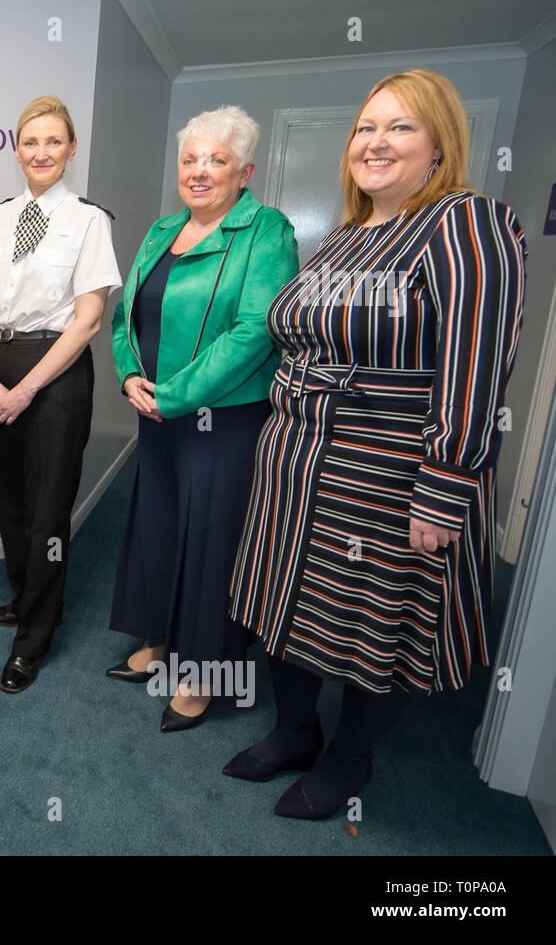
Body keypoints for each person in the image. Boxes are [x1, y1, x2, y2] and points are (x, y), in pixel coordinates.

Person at [224, 68, 526, 818]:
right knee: (286, 599)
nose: (376, 142)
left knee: (366, 618)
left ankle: (349, 759)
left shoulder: (467, 222)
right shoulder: (341, 238)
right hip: (293, 458)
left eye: (400, 127)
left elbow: (476, 367)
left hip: (385, 468)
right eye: (366, 127)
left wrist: (446, 483)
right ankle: (293, 730)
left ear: (438, 145)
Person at [104, 106, 299, 732]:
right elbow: (123, 315)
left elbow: (254, 332)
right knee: (157, 528)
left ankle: (204, 674)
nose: (199, 171)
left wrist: (175, 393)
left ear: (243, 171)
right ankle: (159, 642)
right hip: (154, 409)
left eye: (216, 160)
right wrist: (130, 373)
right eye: (190, 159)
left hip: (223, 419)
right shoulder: (163, 229)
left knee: (211, 544)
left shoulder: (267, 231)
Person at [0, 95, 121, 693]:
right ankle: (27, 597)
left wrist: (23, 389)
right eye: (31, 142)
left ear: (71, 150)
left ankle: (35, 637)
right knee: (11, 499)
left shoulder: (88, 221)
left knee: (49, 508)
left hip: (53, 372)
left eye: (54, 142)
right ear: (17, 150)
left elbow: (88, 320)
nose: (42, 152)